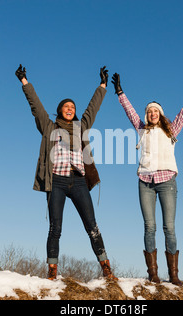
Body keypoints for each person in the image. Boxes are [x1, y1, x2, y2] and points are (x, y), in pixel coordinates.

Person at [111, 66, 183, 285]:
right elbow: (129, 111)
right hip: (145, 182)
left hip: (167, 181)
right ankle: (153, 273)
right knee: (150, 227)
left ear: (160, 114)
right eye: (149, 111)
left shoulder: (172, 130)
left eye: (155, 111)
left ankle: (174, 275)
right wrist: (120, 92)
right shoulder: (141, 129)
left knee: (169, 227)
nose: (152, 114)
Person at [15, 64, 117, 281]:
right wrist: (25, 82)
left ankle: (106, 267)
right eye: (66, 106)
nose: (70, 108)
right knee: (55, 227)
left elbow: (93, 108)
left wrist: (102, 85)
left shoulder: (82, 127)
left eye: (72, 106)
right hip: (57, 183)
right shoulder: (50, 128)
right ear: (60, 110)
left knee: (92, 226)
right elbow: (36, 106)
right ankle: (52, 270)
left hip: (79, 181)